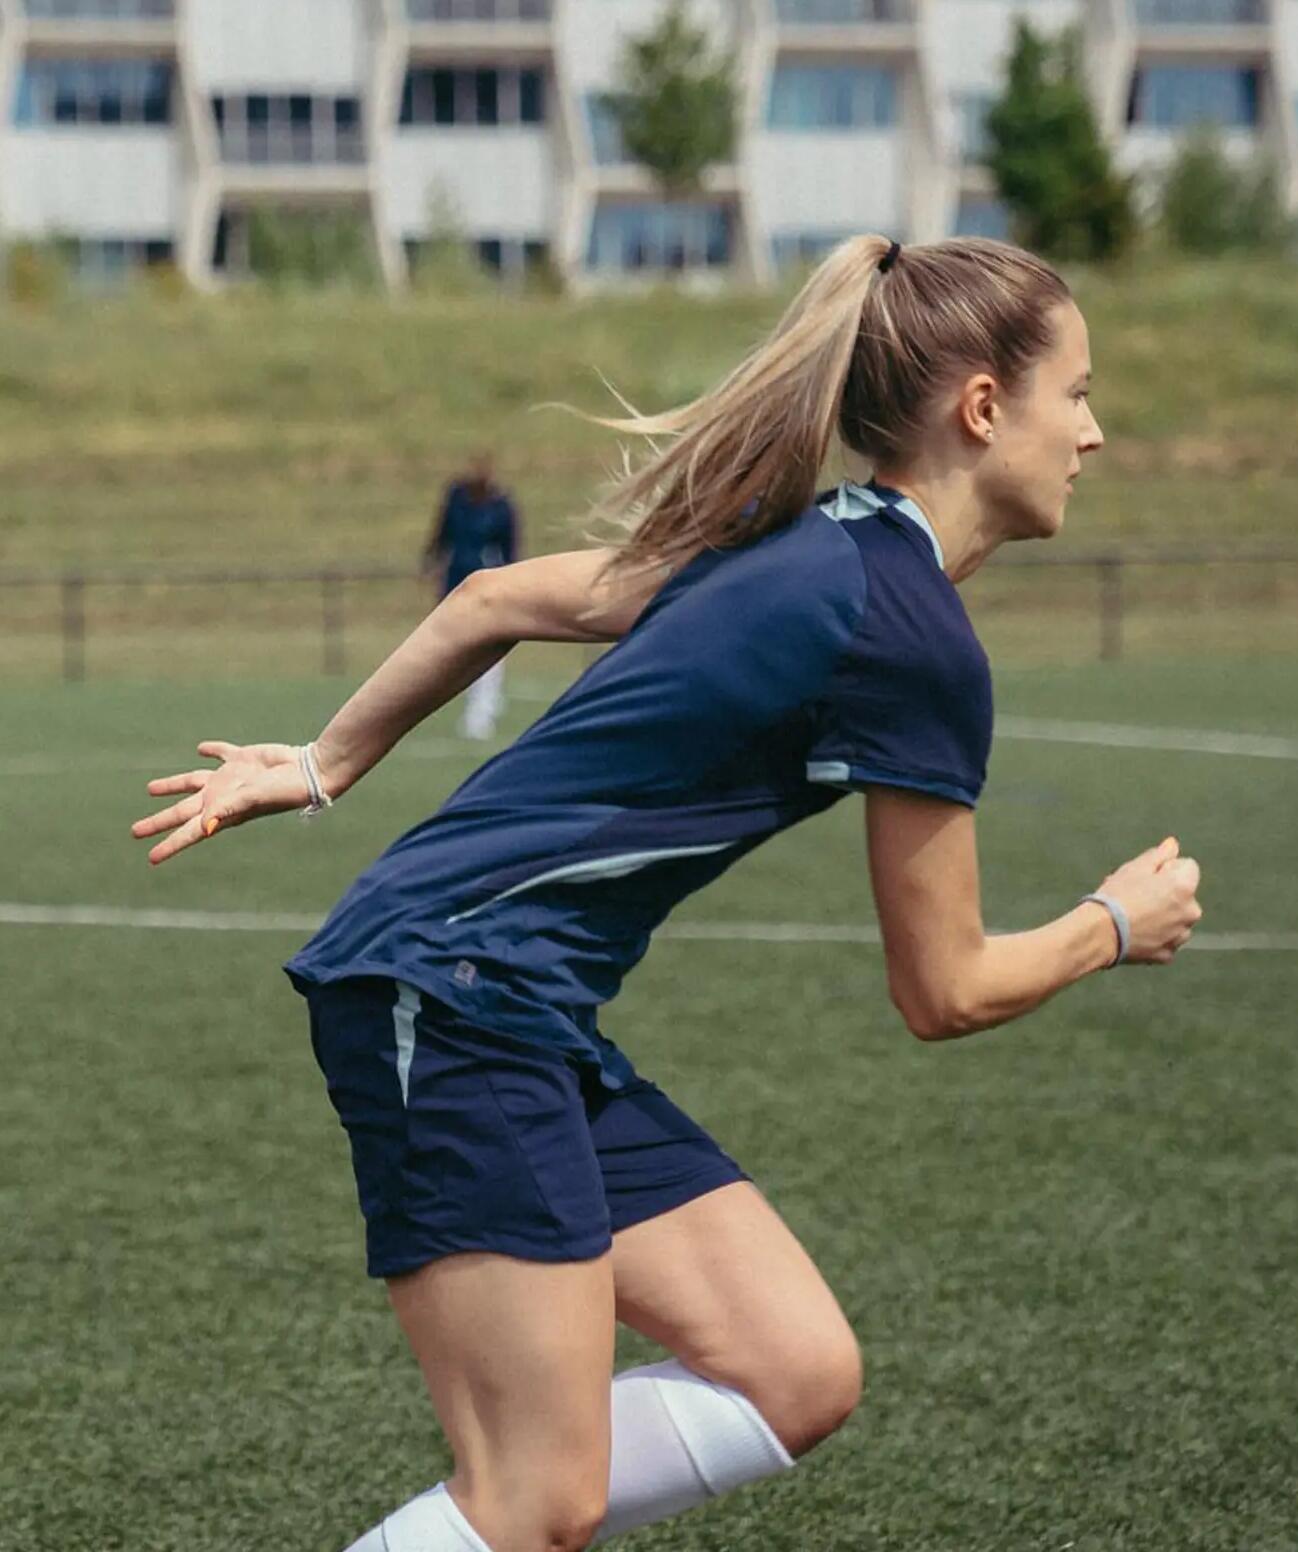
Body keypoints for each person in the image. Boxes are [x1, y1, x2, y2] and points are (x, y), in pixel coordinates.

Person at [132, 236, 1203, 1552]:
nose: (1092, 434)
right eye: (1079, 393)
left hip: (506, 997)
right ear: (985, 408)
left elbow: (491, 598)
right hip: (454, 988)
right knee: (539, 1497)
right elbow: (946, 989)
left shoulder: (803, 549)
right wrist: (1112, 926)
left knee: (795, 1369)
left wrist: (318, 764)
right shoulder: (911, 635)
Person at [424, 452, 520, 739]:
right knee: (451, 644)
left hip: (488, 584)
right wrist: (432, 559)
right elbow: (442, 533)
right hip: (457, 579)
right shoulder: (456, 498)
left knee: (488, 645)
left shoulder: (501, 506)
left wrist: (512, 580)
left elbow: (510, 547)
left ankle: (482, 708)